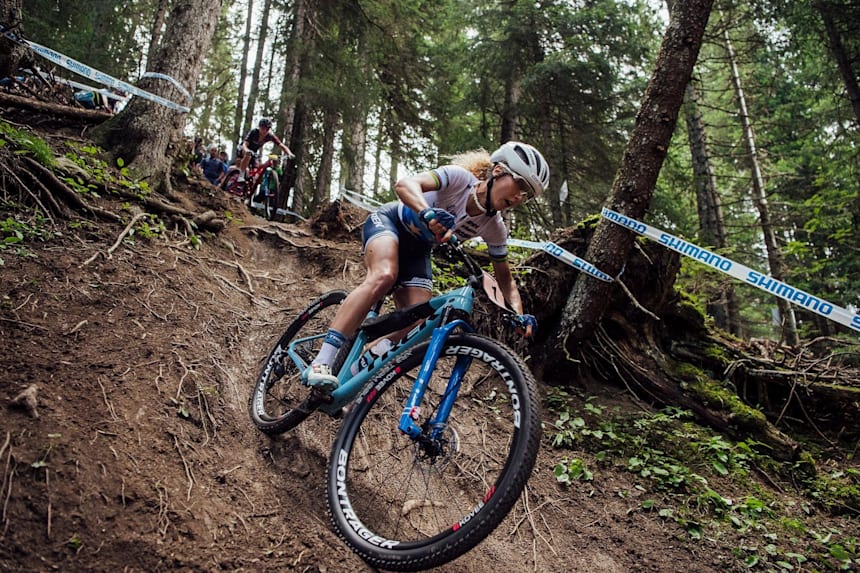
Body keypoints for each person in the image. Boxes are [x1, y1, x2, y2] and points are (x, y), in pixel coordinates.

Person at [305, 140, 548, 390]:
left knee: (418, 322)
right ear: (498, 171)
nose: (519, 197)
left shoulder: (494, 227)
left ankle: (354, 373)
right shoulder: (459, 179)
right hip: (390, 224)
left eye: (526, 194)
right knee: (384, 276)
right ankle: (322, 360)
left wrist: (518, 315)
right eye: (520, 184)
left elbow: (505, 280)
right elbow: (404, 185)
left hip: (418, 250)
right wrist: (426, 212)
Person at [236, 118, 294, 182]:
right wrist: (247, 150)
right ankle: (241, 176)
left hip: (253, 152)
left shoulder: (269, 136)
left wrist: (289, 153)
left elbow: (281, 145)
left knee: (256, 170)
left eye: (267, 129)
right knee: (248, 155)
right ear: (259, 127)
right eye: (263, 128)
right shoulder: (254, 132)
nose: (265, 131)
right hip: (243, 148)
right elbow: (245, 144)